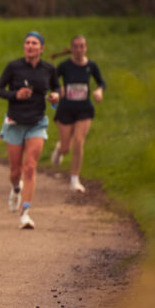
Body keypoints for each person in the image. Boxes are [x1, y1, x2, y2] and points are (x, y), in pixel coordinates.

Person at [0, 31, 60, 229]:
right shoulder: (13, 67)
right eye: (27, 43)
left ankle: (25, 213)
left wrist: (55, 97)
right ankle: (16, 189)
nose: (30, 46)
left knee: (30, 167)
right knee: (16, 171)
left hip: (37, 123)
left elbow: (56, 88)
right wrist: (16, 95)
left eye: (34, 43)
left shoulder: (49, 69)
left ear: (42, 48)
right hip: (15, 123)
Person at [50, 35, 105, 193]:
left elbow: (101, 82)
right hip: (66, 108)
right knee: (67, 147)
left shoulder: (91, 66)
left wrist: (99, 91)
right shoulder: (64, 66)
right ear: (71, 49)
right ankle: (60, 148)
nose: (79, 49)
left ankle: (75, 179)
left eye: (82, 46)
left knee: (79, 142)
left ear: (86, 48)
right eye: (76, 46)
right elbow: (52, 81)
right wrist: (58, 89)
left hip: (84, 109)